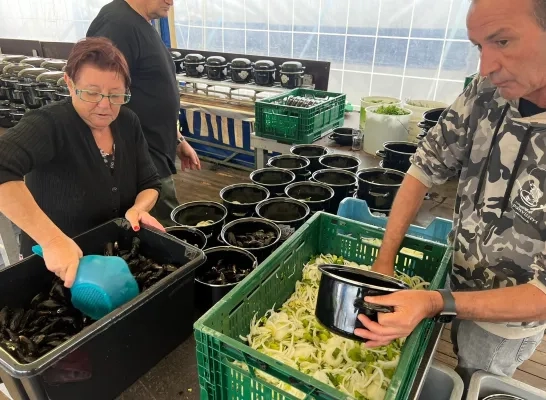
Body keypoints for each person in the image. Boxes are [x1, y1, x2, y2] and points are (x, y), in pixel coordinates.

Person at [354, 0, 546, 390]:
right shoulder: (487, 91)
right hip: (455, 279)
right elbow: (423, 167)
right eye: (479, 46)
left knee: (475, 374)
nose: (486, 66)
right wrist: (384, 261)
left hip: (507, 321)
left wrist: (434, 302)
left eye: (503, 41)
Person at [0, 37, 164, 288]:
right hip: (54, 267)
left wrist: (140, 208)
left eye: (115, 95)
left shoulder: (128, 122)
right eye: (92, 93)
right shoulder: (49, 124)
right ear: (69, 83)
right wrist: (53, 241)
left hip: (111, 265)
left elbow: (150, 183)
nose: (104, 105)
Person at [86, 0, 201, 227]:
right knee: (166, 232)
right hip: (140, 161)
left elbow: (148, 92)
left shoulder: (141, 22)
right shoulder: (117, 25)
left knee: (168, 225)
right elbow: (99, 98)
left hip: (155, 152)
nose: (171, 1)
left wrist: (177, 139)